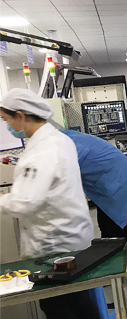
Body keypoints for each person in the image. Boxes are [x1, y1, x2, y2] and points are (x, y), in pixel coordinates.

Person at [0, 89, 96, 318]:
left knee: (60, 308)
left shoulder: (42, 151)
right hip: (71, 237)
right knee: (79, 304)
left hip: (54, 245)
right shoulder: (59, 139)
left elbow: (24, 201)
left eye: (6, 119)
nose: (7, 125)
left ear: (20, 116)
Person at [62, 130, 127, 241]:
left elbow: (62, 183)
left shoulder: (66, 146)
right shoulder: (65, 138)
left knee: (115, 234)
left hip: (117, 183)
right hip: (108, 184)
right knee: (105, 226)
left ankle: (119, 248)